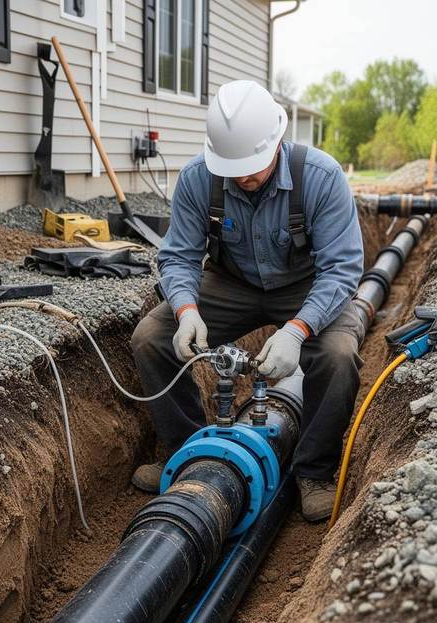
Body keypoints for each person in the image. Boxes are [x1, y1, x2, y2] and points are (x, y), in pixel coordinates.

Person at [129, 79, 364, 522]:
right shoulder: (199, 179)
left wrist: (299, 329)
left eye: (252, 166)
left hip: (305, 285)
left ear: (277, 139)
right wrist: (186, 310)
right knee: (150, 337)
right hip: (230, 284)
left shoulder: (321, 177)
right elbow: (178, 256)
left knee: (337, 353)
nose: (242, 177)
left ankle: (314, 470)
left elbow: (343, 268)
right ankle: (187, 450)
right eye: (233, 168)